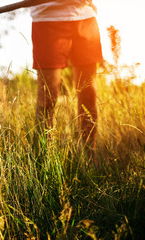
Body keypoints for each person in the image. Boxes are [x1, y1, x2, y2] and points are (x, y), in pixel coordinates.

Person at [31, 0, 103, 165]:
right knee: (48, 96)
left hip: (85, 15)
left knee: (89, 92)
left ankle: (91, 158)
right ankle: (44, 161)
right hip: (47, 18)